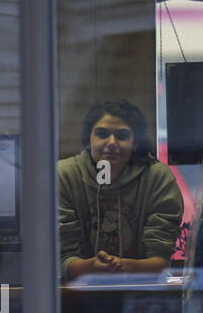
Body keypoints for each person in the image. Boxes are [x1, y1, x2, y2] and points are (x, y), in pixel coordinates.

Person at [58, 99, 184, 280]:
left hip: (141, 293)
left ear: (135, 143)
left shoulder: (158, 178)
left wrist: (122, 266)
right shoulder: (64, 175)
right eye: (102, 134)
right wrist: (92, 267)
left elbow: (160, 260)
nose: (111, 142)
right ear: (88, 141)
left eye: (122, 136)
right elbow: (61, 258)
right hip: (74, 295)